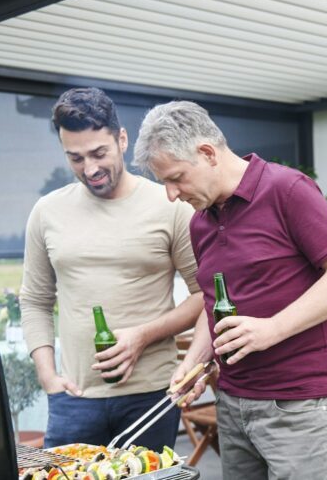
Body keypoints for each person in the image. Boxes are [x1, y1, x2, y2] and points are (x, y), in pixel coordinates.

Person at [133, 100, 327, 479]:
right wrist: (193, 362)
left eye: (176, 177)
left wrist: (272, 328)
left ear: (208, 153)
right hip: (232, 403)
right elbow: (212, 307)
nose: (172, 194)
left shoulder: (287, 189)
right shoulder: (199, 223)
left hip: (299, 406)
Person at [19, 88, 204, 450]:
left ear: (122, 139)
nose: (89, 169)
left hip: (151, 394)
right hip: (72, 396)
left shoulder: (171, 206)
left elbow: (204, 295)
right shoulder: (46, 211)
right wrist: (47, 377)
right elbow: (35, 301)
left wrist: (142, 335)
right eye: (75, 158)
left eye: (98, 153)